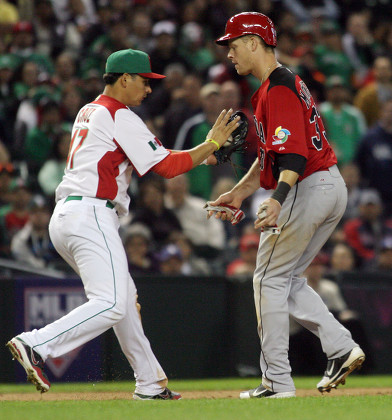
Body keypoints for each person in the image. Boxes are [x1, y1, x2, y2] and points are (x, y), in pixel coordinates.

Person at [6, 48, 239, 399]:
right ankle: (37, 344)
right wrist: (210, 144)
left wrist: (206, 153)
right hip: (91, 214)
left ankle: (149, 383)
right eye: (144, 81)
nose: (148, 89)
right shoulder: (119, 115)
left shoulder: (91, 110)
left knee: (124, 300)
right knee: (113, 302)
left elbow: (153, 158)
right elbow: (167, 168)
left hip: (68, 216)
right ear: (124, 79)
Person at [210, 12, 365, 399]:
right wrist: (242, 192)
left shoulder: (277, 87)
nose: (229, 54)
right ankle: (341, 346)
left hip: (306, 186)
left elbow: (292, 157)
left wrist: (277, 200)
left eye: (233, 45)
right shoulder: (279, 84)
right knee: (286, 279)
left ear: (253, 42)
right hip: (328, 185)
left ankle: (276, 381)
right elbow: (271, 156)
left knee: (266, 279)